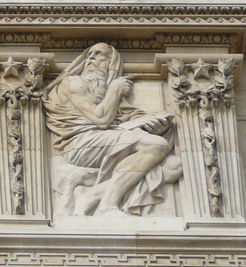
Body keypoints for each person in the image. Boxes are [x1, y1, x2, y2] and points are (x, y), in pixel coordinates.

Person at [43, 43, 182, 216]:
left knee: (174, 166)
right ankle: (107, 206)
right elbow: (101, 119)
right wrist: (115, 90)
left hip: (105, 140)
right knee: (157, 145)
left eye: (99, 54)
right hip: (80, 144)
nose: (91, 58)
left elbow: (128, 117)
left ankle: (92, 194)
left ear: (111, 63)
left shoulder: (103, 90)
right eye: (89, 54)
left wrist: (156, 128)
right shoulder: (74, 82)